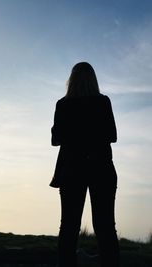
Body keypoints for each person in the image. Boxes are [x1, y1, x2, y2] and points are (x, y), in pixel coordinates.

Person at [50, 62, 120, 267]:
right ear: (93, 80)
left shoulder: (63, 105)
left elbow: (55, 140)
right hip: (102, 169)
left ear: (71, 81)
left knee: (69, 227)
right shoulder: (103, 102)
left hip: (72, 170)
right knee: (106, 226)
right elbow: (112, 136)